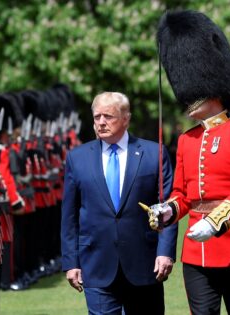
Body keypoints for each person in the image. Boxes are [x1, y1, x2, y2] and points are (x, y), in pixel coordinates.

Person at [150, 10, 230, 315]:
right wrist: (169, 210)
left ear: (214, 88)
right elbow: (182, 194)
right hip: (196, 252)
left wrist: (216, 220)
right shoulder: (187, 139)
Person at [61, 91, 178, 315]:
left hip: (145, 264)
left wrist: (166, 252)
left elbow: (168, 208)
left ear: (126, 118)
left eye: (108, 116)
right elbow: (69, 215)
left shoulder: (153, 153)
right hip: (96, 263)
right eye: (97, 117)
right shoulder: (77, 158)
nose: (101, 122)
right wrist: (70, 262)